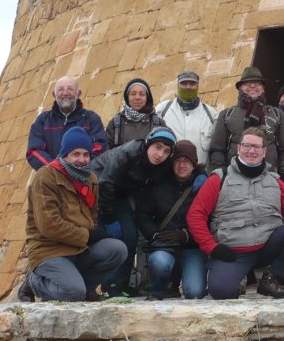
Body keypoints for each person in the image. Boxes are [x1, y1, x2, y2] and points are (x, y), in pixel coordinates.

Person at [187, 127, 284, 300]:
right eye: (247, 146)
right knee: (222, 293)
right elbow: (196, 215)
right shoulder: (219, 179)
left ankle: (272, 279)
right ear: (238, 148)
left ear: (264, 151)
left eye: (257, 147)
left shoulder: (274, 180)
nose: (251, 151)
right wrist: (212, 248)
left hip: (268, 246)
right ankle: (236, 278)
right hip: (232, 252)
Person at [19, 127, 127, 302]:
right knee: (73, 293)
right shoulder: (46, 177)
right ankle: (34, 282)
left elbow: (92, 214)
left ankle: (86, 288)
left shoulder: (90, 178)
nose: (82, 160)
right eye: (76, 154)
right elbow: (49, 225)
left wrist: (91, 232)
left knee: (117, 250)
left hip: (78, 247)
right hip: (50, 249)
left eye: (86, 154)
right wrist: (87, 235)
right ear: (65, 155)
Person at [89, 127, 177, 296]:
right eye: (157, 147)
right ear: (147, 144)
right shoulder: (128, 153)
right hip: (98, 189)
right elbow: (106, 182)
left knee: (130, 236)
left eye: (166, 151)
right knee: (106, 238)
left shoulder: (162, 165)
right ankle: (104, 285)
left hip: (121, 193)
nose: (160, 154)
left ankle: (120, 284)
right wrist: (109, 218)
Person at [135, 141, 208, 300]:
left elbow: (210, 220)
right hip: (164, 242)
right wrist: (154, 234)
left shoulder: (204, 186)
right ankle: (161, 288)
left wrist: (187, 236)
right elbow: (143, 215)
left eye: (187, 161)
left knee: (194, 292)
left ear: (194, 164)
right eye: (177, 161)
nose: (182, 165)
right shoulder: (158, 184)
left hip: (192, 246)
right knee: (160, 263)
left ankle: (184, 277)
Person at [208, 67, 284, 180]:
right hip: (234, 178)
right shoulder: (227, 115)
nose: (252, 86)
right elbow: (217, 148)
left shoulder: (276, 114)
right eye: (247, 83)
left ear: (263, 88)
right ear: (240, 88)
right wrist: (222, 175)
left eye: (257, 83)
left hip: (269, 178)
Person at [26, 76, 108, 168]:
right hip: (52, 179)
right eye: (60, 89)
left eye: (70, 89)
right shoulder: (43, 120)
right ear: (54, 94)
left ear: (78, 93)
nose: (65, 93)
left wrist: (80, 168)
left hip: (84, 178)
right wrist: (55, 169)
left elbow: (100, 147)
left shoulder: (91, 119)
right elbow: (34, 151)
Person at [157, 70, 217, 163]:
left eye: (192, 84)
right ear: (177, 85)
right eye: (184, 83)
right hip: (167, 172)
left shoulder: (211, 114)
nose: (188, 87)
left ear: (198, 86)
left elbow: (217, 148)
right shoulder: (162, 110)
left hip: (200, 174)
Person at [106, 78, 163, 147]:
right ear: (127, 97)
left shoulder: (158, 123)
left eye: (142, 94)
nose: (137, 97)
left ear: (147, 98)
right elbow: (107, 154)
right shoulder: (115, 124)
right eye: (133, 94)